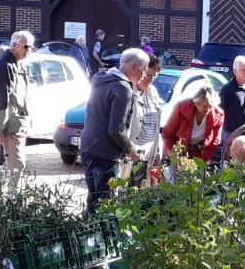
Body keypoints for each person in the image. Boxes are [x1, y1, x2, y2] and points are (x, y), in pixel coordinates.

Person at [81, 48, 145, 212]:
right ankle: (103, 237)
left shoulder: (99, 79)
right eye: (144, 70)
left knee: (93, 199)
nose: (144, 76)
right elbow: (116, 130)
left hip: (88, 147)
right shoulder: (123, 89)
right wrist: (131, 150)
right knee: (106, 204)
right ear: (134, 68)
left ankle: (88, 235)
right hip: (106, 154)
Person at [0, 30, 33, 189]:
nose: (29, 50)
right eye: (26, 46)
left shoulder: (19, 63)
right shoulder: (5, 65)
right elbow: (1, 100)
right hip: (10, 126)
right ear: (14, 45)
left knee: (15, 167)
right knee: (16, 166)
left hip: (18, 124)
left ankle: (12, 201)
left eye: (31, 47)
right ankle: (12, 205)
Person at [162, 84, 225, 163]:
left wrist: (201, 160)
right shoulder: (181, 107)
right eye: (200, 104)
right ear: (195, 102)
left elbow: (215, 142)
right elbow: (168, 134)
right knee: (172, 174)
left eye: (208, 106)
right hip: (175, 150)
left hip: (199, 154)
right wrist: (175, 157)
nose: (204, 109)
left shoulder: (219, 114)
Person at [131, 51, 165, 182]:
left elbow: (155, 127)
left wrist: (157, 154)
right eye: (149, 75)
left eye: (155, 77)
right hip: (134, 156)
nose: (151, 80)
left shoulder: (153, 92)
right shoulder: (129, 92)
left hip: (149, 155)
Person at [219, 55, 245, 156]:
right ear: (235, 71)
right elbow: (219, 113)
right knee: (228, 164)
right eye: (243, 70)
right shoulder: (227, 90)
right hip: (231, 133)